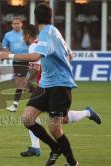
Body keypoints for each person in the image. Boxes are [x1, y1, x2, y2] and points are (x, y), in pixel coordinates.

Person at [0, 4, 102, 165]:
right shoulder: (54, 31)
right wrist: (57, 66)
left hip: (59, 86)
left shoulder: (47, 33)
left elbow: (35, 57)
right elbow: (71, 55)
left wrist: (8, 55)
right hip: (46, 85)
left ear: (35, 17)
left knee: (55, 127)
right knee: (28, 118)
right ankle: (55, 148)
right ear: (51, 16)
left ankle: (72, 162)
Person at [19, 24, 101, 158]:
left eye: (23, 34)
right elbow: (70, 56)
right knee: (36, 116)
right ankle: (36, 147)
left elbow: (36, 67)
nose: (23, 37)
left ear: (28, 35)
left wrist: (26, 81)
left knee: (40, 118)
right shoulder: (50, 41)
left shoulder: (35, 46)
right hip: (48, 85)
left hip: (48, 87)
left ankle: (51, 150)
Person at [2, 16, 29, 112]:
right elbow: (4, 46)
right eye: (14, 23)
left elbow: (32, 44)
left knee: (21, 83)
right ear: (12, 25)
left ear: (21, 24)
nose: (16, 25)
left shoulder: (26, 34)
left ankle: (15, 105)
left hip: (26, 59)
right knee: (21, 83)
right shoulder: (8, 35)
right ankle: (35, 94)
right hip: (15, 61)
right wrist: (8, 53)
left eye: (18, 23)